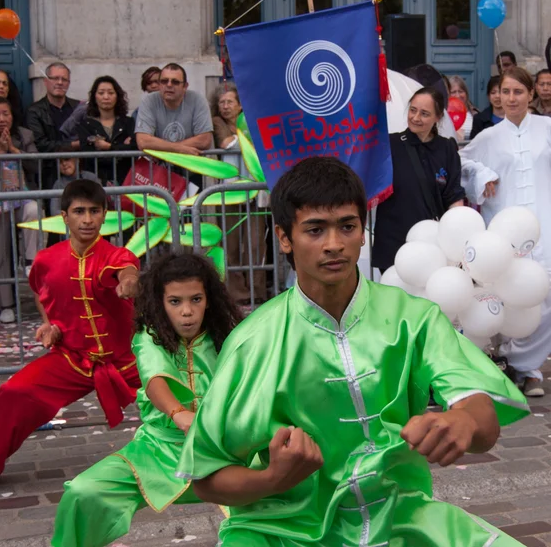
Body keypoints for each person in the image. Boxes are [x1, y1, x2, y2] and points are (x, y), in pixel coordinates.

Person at [176, 156, 529, 547]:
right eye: (315, 229)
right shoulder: (251, 344)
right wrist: (273, 479)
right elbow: (207, 477)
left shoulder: (413, 318)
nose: (334, 245)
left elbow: (483, 420)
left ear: (363, 232)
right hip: (283, 530)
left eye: (347, 226)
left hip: (400, 516)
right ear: (284, 237)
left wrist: (463, 422)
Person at [0, 179, 142, 496]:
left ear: (104, 216)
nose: (87, 219)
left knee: (183, 392)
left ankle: (202, 454)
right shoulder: (46, 259)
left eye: (94, 211)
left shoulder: (117, 254)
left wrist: (128, 281)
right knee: (13, 392)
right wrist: (50, 325)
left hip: (127, 361)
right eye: (79, 211)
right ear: (64, 217)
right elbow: (40, 291)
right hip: (72, 358)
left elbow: (125, 270)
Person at [51, 252, 241, 547]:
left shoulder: (228, 338)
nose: (187, 311)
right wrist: (178, 413)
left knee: (283, 490)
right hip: (156, 450)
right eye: (175, 301)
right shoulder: (148, 337)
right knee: (82, 492)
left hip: (221, 452)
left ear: (209, 300)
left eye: (196, 299)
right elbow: (155, 379)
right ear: (160, 302)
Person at [460, 66, 551, 397]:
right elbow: (462, 163)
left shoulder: (546, 128)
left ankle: (528, 366)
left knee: (545, 295)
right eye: (505, 92)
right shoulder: (488, 137)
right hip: (504, 227)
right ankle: (506, 361)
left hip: (546, 223)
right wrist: (483, 173)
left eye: (518, 92)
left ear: (530, 95)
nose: (511, 98)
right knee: (506, 292)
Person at [372, 87, 465, 273]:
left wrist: (458, 235)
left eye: (424, 114)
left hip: (434, 243)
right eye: (413, 110)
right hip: (395, 242)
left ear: (438, 117)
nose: (415, 118)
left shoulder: (446, 148)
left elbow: (454, 197)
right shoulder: (389, 145)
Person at [0, 97, 42, 324]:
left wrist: (13, 149)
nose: (2, 119)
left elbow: (36, 164)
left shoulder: (24, 135)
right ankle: (6, 305)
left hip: (20, 198)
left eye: (6, 114)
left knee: (34, 210)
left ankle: (32, 259)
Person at [211, 83, 267, 307]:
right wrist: (248, 141)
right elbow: (227, 144)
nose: (225, 107)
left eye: (229, 102)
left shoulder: (250, 122)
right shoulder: (216, 122)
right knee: (231, 244)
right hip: (228, 192)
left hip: (255, 190)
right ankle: (236, 292)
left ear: (240, 105)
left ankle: (258, 289)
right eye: (221, 103)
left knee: (255, 243)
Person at [135, 62, 213, 189]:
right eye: (164, 81)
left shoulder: (197, 100)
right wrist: (180, 149)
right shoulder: (149, 101)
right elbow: (143, 141)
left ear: (185, 86)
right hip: (159, 173)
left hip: (192, 171)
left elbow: (204, 139)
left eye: (175, 82)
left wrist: (162, 148)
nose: (169, 85)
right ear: (159, 84)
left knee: (193, 209)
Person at [26, 62, 81, 190]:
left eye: (64, 79)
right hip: (49, 171)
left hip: (77, 171)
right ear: (46, 81)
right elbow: (40, 144)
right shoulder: (34, 111)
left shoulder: (78, 107)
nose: (60, 82)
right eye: (55, 78)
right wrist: (71, 146)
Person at [77, 75, 135, 186]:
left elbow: (134, 148)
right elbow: (89, 156)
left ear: (117, 96)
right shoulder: (85, 125)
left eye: (111, 93)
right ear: (94, 96)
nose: (106, 97)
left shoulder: (129, 122)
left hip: (125, 180)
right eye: (101, 93)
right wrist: (121, 149)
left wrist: (108, 147)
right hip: (97, 182)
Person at [449, 75, 479, 141]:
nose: (457, 95)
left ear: (466, 93)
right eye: (453, 92)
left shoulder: (475, 114)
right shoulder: (443, 115)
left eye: (460, 91)